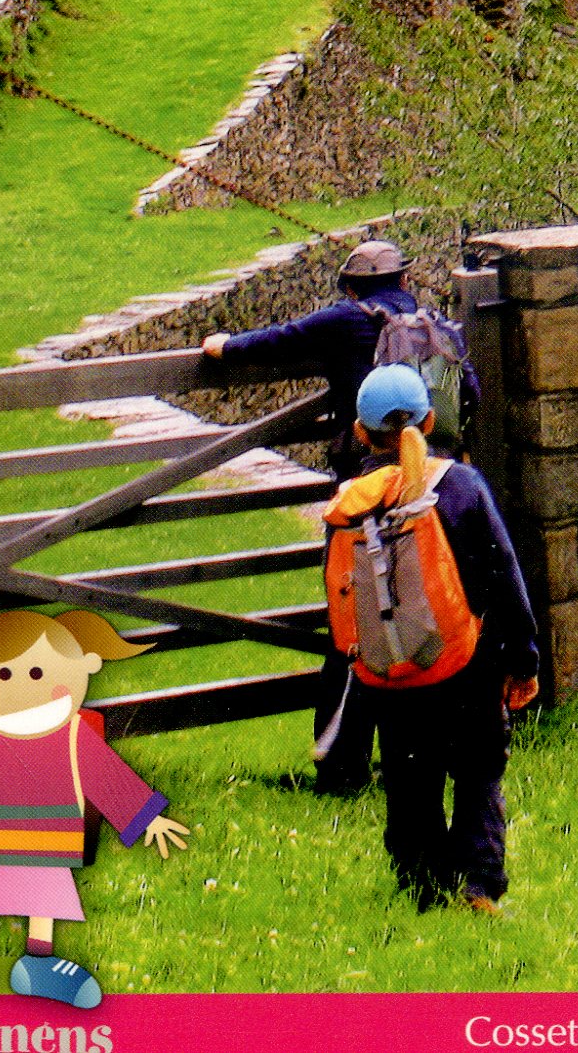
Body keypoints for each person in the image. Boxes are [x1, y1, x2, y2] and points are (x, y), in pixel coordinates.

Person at [202, 237, 480, 792]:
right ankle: (443, 746)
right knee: (436, 610)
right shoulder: (439, 327)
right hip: (437, 489)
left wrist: (222, 344)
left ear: (351, 287)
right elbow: (469, 393)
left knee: (355, 623)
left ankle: (341, 765)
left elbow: (269, 344)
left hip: (366, 499)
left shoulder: (342, 322)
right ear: (404, 280)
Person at [0, 602, 189, 1010]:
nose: (20, 688)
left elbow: (108, 777)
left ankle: (39, 965)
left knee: (42, 897)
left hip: (47, 843)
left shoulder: (74, 735)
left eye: (40, 674)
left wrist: (146, 816)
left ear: (84, 670)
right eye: (3, 674)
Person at [325, 365, 539, 915]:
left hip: (391, 677)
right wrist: (523, 658)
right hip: (467, 665)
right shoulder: (461, 486)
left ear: (359, 432)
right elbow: (504, 574)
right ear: (431, 419)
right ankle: (477, 885)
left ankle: (423, 886)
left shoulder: (348, 504)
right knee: (477, 774)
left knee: (408, 781)